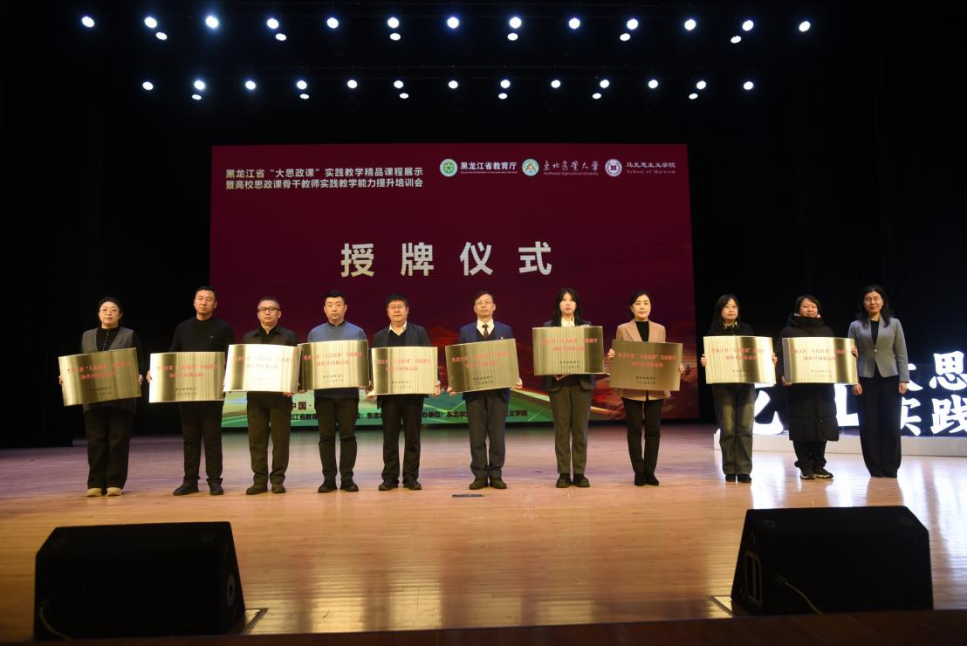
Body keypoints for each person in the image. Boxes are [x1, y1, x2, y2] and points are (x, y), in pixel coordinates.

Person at [159, 286, 235, 496]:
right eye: (200, 298)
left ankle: (214, 481)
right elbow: (171, 356)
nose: (204, 302)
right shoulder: (183, 328)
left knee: (212, 438)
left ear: (215, 304)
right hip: (187, 392)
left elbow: (232, 359)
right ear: (194, 302)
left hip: (212, 393)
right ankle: (190, 481)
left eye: (208, 299)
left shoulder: (223, 328)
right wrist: (155, 371)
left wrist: (228, 381)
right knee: (190, 438)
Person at [607, 291, 685, 487]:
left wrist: (677, 366)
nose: (642, 306)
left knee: (653, 430)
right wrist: (613, 356)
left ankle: (650, 471)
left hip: (655, 387)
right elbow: (620, 357)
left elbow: (665, 355)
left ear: (651, 306)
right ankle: (638, 471)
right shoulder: (623, 329)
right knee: (634, 430)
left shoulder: (660, 329)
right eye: (638, 303)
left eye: (646, 303)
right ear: (631, 307)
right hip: (631, 386)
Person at [700, 294, 775, 483]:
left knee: (745, 428)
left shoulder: (746, 329)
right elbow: (711, 359)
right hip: (722, 387)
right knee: (727, 429)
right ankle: (729, 469)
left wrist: (768, 359)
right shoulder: (713, 333)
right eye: (727, 307)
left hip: (745, 385)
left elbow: (755, 354)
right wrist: (706, 361)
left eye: (734, 306)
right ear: (720, 311)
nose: (731, 310)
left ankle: (744, 470)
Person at [450, 291, 521, 490]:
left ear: (494, 307)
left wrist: (515, 376)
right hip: (474, 393)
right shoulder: (465, 331)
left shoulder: (505, 330)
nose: (483, 306)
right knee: (477, 435)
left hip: (499, 391)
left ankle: (496, 474)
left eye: (487, 302)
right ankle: (480, 475)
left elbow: (511, 357)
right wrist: (456, 382)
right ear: (474, 308)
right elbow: (460, 360)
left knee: (497, 436)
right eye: (480, 303)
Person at [76, 297, 145, 497]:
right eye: (104, 309)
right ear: (98, 314)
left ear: (120, 315)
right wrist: (68, 376)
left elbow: (139, 363)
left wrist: (140, 374)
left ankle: (115, 481)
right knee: (95, 440)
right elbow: (79, 364)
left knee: (118, 440)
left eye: (113, 310)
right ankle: (95, 482)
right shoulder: (87, 336)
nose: (108, 313)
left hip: (122, 399)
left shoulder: (129, 335)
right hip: (93, 398)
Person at [370, 294, 439, 491]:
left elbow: (428, 358)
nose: (397, 310)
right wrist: (372, 385)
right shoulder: (380, 336)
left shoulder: (419, 332)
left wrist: (433, 381)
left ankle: (410, 477)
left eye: (400, 306)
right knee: (389, 438)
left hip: (413, 395)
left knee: (412, 437)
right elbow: (375, 365)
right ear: (387, 312)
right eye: (392, 307)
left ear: (407, 310)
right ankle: (390, 477)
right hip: (389, 396)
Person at [307, 290, 366, 493]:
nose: (334, 309)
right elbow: (309, 364)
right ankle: (329, 479)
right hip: (323, 395)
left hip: (348, 395)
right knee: (326, 437)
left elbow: (363, 363)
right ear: (324, 309)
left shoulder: (357, 332)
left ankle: (347, 479)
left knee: (348, 436)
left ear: (345, 308)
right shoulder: (315, 333)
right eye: (330, 305)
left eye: (338, 304)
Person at [848, 285, 909, 478]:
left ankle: (891, 466)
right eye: (868, 299)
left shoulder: (894, 324)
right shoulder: (855, 325)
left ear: (883, 301)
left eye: (876, 298)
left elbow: (901, 352)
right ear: (863, 302)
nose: (872, 302)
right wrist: (853, 381)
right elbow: (849, 356)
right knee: (869, 424)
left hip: (890, 378)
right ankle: (874, 467)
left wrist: (904, 378)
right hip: (865, 380)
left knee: (891, 422)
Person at [777, 295, 839, 480]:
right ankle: (805, 466)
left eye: (813, 306)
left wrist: (849, 353)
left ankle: (819, 465)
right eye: (806, 306)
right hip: (799, 389)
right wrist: (782, 375)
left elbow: (836, 356)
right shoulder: (788, 331)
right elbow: (779, 356)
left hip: (823, 388)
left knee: (822, 425)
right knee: (802, 426)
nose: (810, 309)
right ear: (798, 310)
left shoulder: (827, 331)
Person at [241, 297, 298, 495]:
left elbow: (295, 364)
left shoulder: (289, 336)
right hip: (256, 396)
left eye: (272, 309)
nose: (267, 312)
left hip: (280, 396)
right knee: (256, 440)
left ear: (279, 313)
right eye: (263, 309)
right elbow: (242, 366)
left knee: (280, 440)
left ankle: (277, 480)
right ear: (257, 314)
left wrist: (292, 384)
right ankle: (259, 481)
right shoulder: (248, 338)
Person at [543, 288, 596, 488]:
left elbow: (592, 355)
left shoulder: (586, 326)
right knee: (562, 430)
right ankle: (564, 473)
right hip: (558, 384)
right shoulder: (548, 327)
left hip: (581, 383)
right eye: (563, 300)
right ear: (558, 304)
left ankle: (580, 473)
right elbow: (543, 356)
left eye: (571, 300)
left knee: (580, 430)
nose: (567, 303)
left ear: (576, 305)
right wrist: (555, 369)